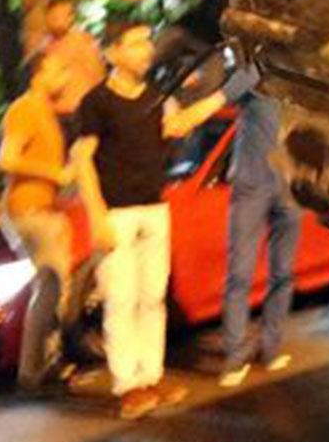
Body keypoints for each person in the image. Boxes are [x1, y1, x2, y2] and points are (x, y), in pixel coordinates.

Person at [73, 21, 225, 418]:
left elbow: (179, 124)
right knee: (121, 300)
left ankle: (152, 376)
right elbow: (82, 161)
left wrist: (230, 91)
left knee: (153, 297)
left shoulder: (156, 97)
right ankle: (128, 384)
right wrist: (97, 217)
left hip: (155, 208)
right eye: (136, 44)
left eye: (147, 43)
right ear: (112, 53)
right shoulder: (96, 103)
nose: (146, 51)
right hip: (117, 214)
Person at [213, 58, 300, 388]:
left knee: (284, 272)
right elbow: (222, 95)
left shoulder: (298, 79)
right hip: (251, 185)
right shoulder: (253, 71)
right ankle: (235, 355)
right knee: (240, 273)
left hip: (289, 185)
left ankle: (271, 347)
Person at [0, 49, 76, 392]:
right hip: (29, 212)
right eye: (60, 69)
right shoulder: (25, 109)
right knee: (51, 286)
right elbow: (7, 160)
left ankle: (45, 363)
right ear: (39, 74)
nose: (67, 77)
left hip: (42, 209)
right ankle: (34, 369)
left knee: (53, 286)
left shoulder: (46, 111)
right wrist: (54, 172)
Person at [39, 0, 106, 115]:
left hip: (82, 108)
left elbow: (98, 75)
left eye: (60, 16)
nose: (56, 21)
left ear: (71, 18)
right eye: (52, 17)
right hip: (57, 111)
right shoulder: (47, 47)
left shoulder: (83, 41)